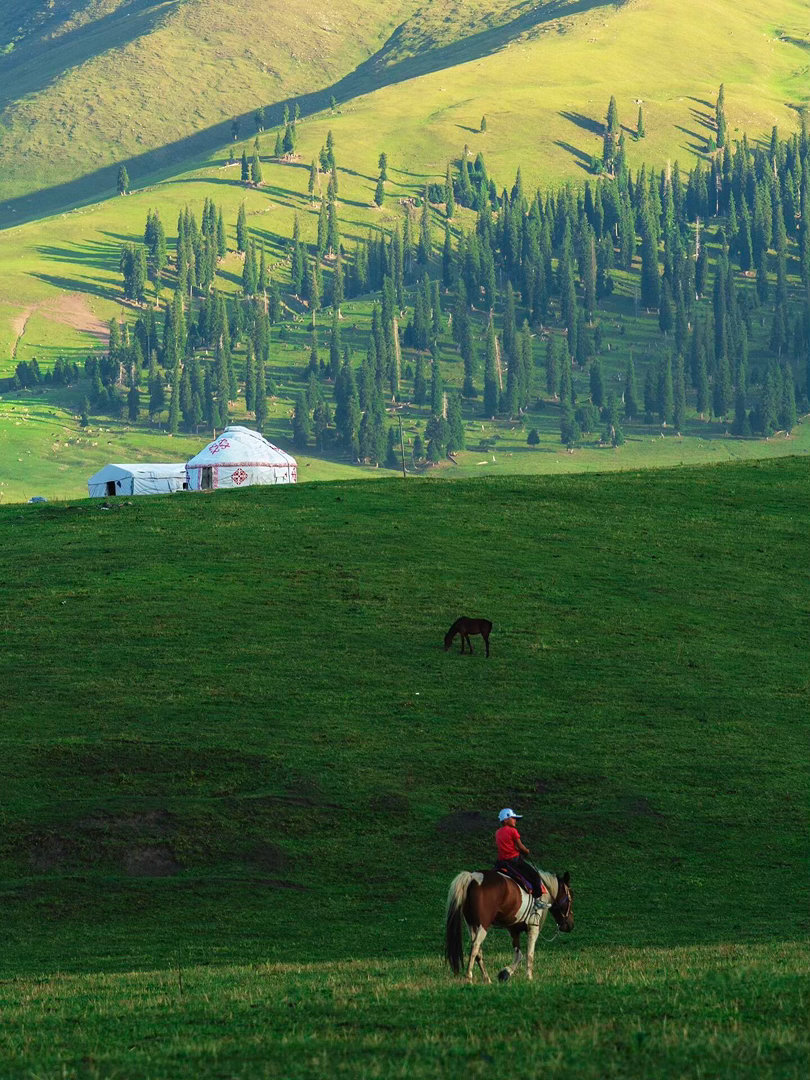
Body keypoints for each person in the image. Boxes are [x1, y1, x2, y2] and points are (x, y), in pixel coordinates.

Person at [494, 808, 548, 913]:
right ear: (506, 820)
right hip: (514, 861)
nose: (515, 821)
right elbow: (520, 846)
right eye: (513, 818)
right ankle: (537, 901)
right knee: (535, 875)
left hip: (501, 862)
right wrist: (526, 851)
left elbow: (505, 846)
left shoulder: (497, 832)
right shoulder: (513, 831)